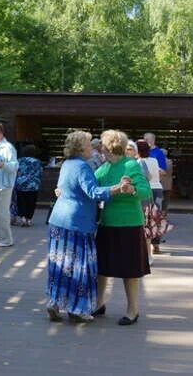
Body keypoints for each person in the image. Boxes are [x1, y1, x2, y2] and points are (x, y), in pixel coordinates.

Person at [46, 131, 133, 322]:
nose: (92, 148)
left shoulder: (67, 164)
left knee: (60, 265)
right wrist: (117, 188)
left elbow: (64, 188)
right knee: (78, 266)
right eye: (88, 145)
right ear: (80, 148)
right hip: (77, 223)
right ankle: (77, 310)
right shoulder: (82, 167)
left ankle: (54, 302)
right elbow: (93, 192)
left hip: (58, 220)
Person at [95, 130, 151, 326]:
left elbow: (146, 192)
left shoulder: (131, 165)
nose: (100, 147)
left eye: (102, 144)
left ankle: (132, 310)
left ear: (109, 146)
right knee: (101, 267)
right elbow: (91, 188)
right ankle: (99, 304)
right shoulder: (104, 168)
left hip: (129, 224)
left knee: (130, 270)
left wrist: (131, 189)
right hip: (107, 223)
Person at [136, 140, 164, 258]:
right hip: (157, 188)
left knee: (145, 218)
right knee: (155, 217)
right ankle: (155, 244)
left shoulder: (137, 163)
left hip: (146, 190)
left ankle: (144, 246)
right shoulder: (154, 160)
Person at [15, 144, 43, 227]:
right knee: (31, 202)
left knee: (21, 201)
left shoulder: (19, 160)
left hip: (21, 184)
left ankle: (23, 218)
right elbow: (40, 172)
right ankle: (29, 219)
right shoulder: (37, 161)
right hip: (33, 185)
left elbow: (16, 171)